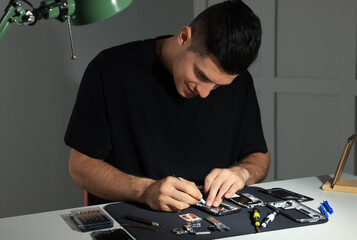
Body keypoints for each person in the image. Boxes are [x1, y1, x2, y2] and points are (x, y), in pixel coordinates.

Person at [65, 0, 270, 212]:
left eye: (218, 85)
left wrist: (241, 173)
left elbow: (259, 157)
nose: (204, 93)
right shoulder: (109, 70)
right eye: (201, 75)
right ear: (184, 37)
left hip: (213, 217)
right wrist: (145, 190)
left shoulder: (241, 82)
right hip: (134, 216)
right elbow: (80, 167)